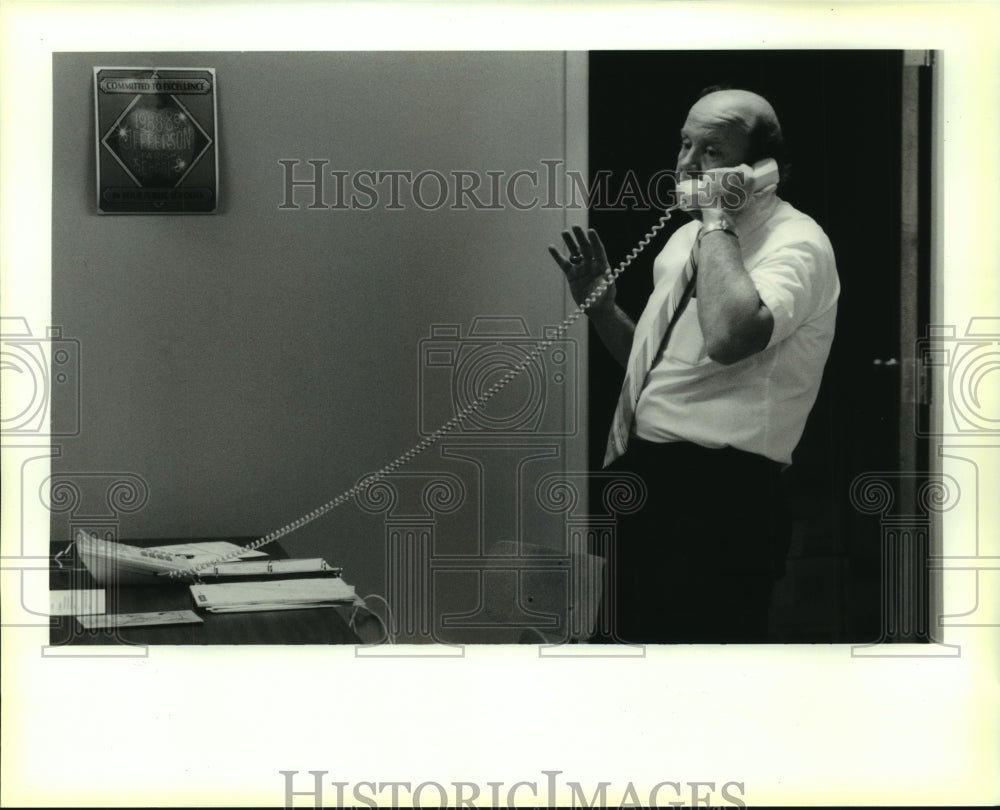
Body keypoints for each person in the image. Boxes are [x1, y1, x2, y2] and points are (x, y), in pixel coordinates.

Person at [549, 88, 840, 643]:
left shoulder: (797, 244)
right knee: (623, 663)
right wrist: (604, 309)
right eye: (685, 142)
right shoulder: (686, 241)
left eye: (711, 151)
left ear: (759, 170)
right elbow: (658, 371)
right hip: (649, 482)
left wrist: (715, 221)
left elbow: (731, 336)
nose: (684, 164)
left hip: (720, 499)